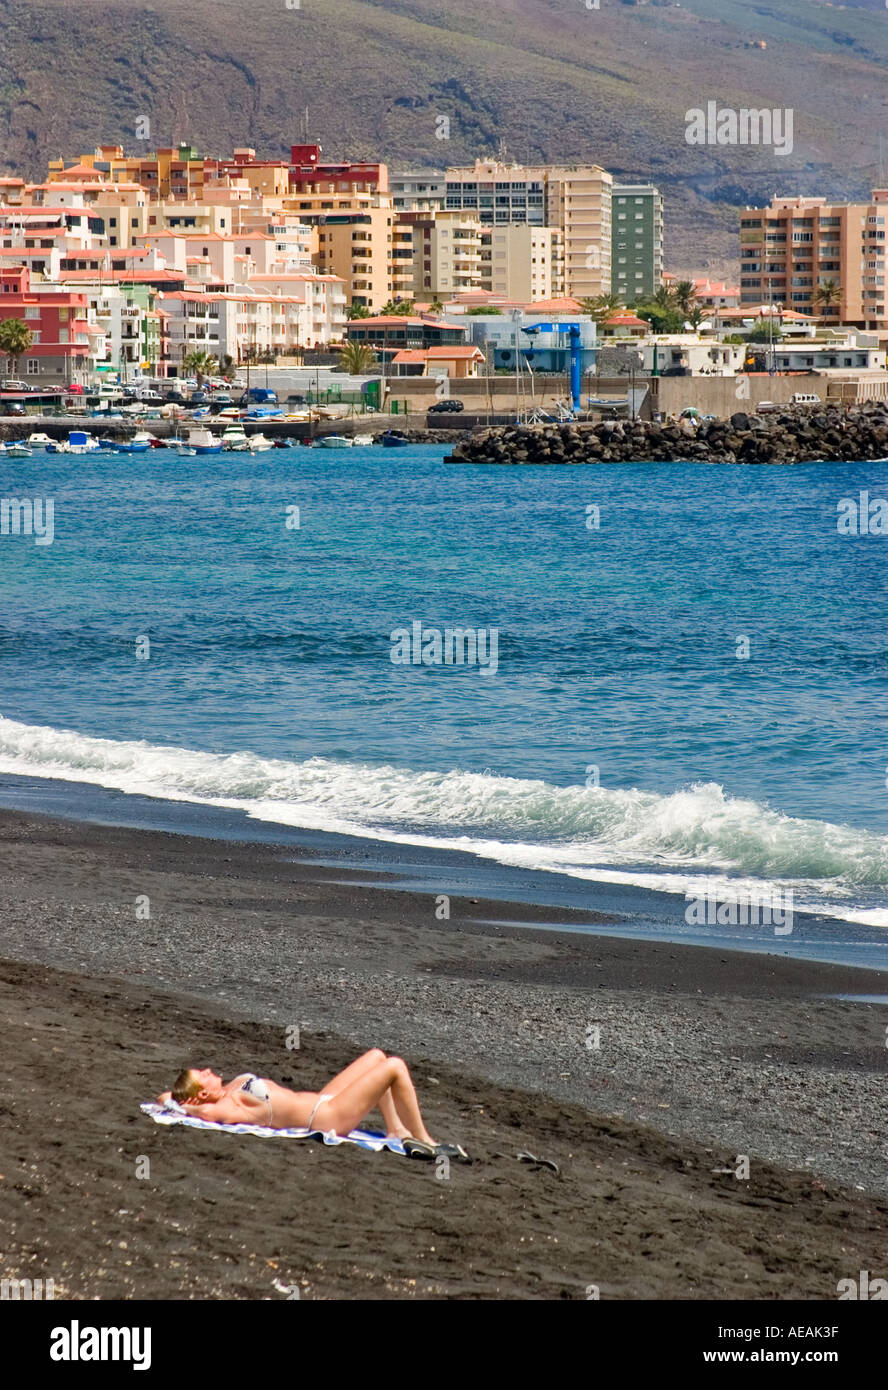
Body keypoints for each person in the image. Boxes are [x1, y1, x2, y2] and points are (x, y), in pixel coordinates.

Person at [157, 1048, 468, 1160]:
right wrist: (184, 1105)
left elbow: (167, 1098)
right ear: (201, 1095)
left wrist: (171, 1098)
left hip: (322, 1100)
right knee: (395, 1067)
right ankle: (426, 1141)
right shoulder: (227, 1106)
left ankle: (395, 1130)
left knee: (376, 1057)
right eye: (204, 1076)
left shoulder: (231, 1088)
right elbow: (198, 1111)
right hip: (325, 1117)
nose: (210, 1072)